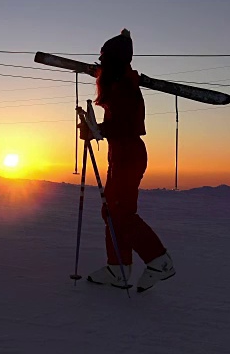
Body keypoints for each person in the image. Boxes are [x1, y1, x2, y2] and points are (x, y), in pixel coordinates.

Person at [77, 29, 175, 293]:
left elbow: (125, 125)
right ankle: (117, 268)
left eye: (104, 58)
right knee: (112, 211)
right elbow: (117, 124)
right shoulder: (120, 82)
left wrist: (98, 130)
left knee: (120, 212)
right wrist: (97, 129)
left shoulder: (122, 86)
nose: (100, 63)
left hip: (128, 154)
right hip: (122, 153)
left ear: (113, 61)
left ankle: (159, 261)